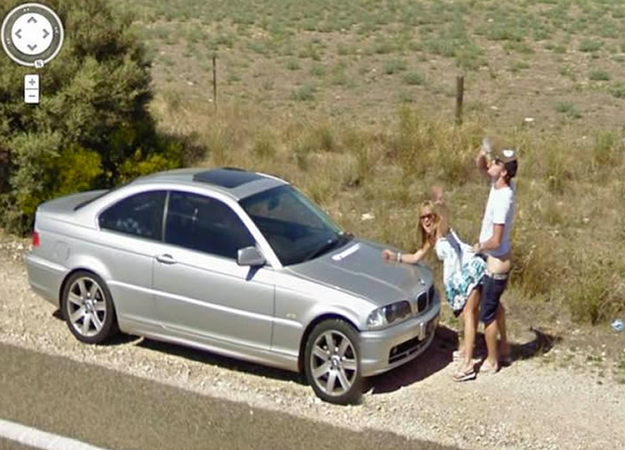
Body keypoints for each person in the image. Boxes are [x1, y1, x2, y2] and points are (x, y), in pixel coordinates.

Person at [382, 187, 486, 381]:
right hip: (459, 278)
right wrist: (394, 257)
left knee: (470, 314)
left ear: (435, 217)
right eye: (423, 218)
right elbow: (416, 256)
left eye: (430, 216)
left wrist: (442, 204)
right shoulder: (431, 239)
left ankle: (468, 364)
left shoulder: (444, 231)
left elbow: (446, 216)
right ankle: (468, 349)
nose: (427, 220)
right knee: (467, 314)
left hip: (470, 271)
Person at [473, 139, 518, 374]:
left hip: (497, 262)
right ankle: (504, 348)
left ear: (503, 171)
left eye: (497, 161)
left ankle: (492, 360)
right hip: (495, 260)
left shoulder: (503, 199)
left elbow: (496, 240)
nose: (493, 162)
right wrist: (483, 152)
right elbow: (480, 166)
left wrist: (479, 247)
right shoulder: (500, 184)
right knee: (495, 305)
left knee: (487, 313)